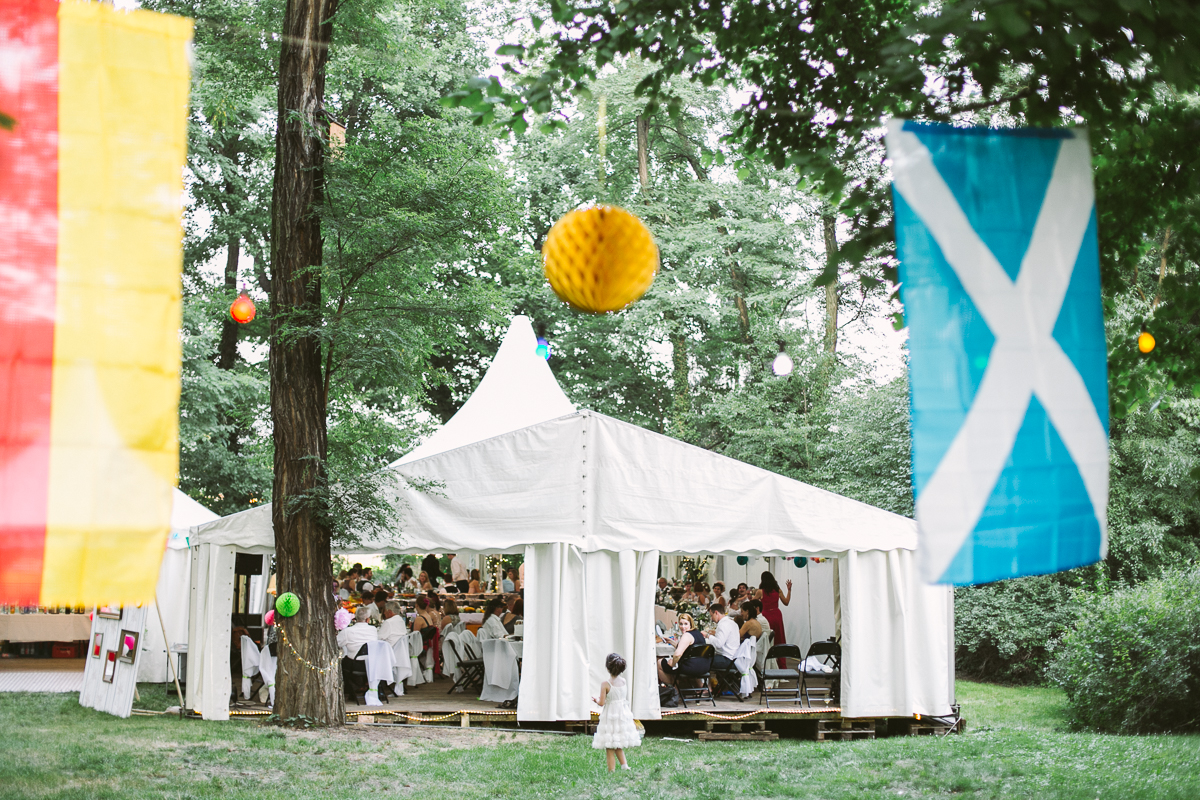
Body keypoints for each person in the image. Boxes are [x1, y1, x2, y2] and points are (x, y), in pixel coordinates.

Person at [592, 653, 639, 772]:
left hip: (610, 715)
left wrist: (596, 700)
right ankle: (624, 765)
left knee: (609, 745)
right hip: (622, 714)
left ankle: (611, 770)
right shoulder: (623, 681)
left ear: (607, 667)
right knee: (617, 742)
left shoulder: (605, 684)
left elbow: (602, 702)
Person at [657, 613, 707, 687]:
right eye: (681, 624)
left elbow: (677, 654)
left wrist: (673, 664)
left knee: (660, 662)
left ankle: (674, 689)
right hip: (704, 667)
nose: (683, 627)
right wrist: (671, 642)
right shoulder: (697, 633)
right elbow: (687, 648)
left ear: (690, 624)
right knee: (674, 663)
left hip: (690, 668)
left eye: (685, 624)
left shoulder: (686, 635)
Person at [758, 571, 792, 666]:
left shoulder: (760, 591)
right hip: (777, 614)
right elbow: (786, 602)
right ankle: (782, 663)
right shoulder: (778, 590)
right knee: (779, 638)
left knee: (767, 638)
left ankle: (768, 663)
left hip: (766, 615)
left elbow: (753, 603)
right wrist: (789, 590)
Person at [705, 603, 739, 672]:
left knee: (701, 660)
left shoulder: (723, 624)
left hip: (727, 659)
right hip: (734, 657)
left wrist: (707, 636)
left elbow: (718, 644)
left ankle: (703, 682)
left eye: (712, 615)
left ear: (716, 613)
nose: (711, 619)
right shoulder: (731, 622)